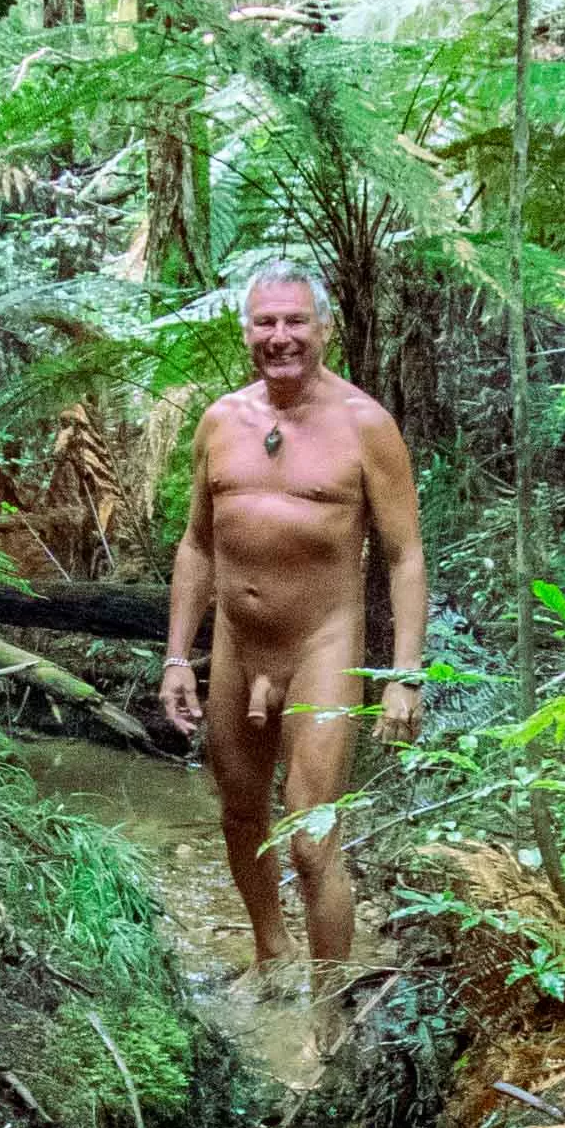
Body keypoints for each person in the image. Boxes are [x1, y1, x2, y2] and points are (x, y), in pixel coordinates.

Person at [155, 268, 429, 977]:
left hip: (323, 646)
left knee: (312, 840)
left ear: (326, 329)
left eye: (296, 321)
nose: (280, 336)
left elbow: (403, 555)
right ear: (246, 330)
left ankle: (330, 1005)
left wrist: (404, 674)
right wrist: (177, 657)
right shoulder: (219, 421)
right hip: (238, 648)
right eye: (265, 322)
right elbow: (197, 544)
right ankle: (270, 954)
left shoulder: (366, 425)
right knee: (240, 817)